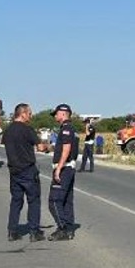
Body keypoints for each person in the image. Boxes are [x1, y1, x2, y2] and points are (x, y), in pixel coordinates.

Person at [2, 103, 47, 242]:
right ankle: (34, 231)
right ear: (22, 114)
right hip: (28, 169)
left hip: (14, 170)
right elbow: (40, 147)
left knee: (16, 201)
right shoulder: (27, 130)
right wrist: (47, 146)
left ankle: (12, 230)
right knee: (33, 200)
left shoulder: (8, 131)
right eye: (29, 113)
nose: (31, 116)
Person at [47, 103, 79, 241]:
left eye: (56, 113)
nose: (55, 115)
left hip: (64, 168)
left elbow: (66, 149)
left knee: (54, 200)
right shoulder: (71, 129)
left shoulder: (66, 129)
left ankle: (63, 228)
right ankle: (69, 228)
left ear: (63, 113)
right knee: (66, 200)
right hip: (68, 167)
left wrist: (58, 169)